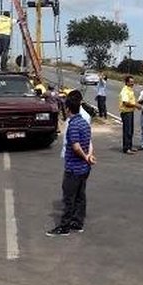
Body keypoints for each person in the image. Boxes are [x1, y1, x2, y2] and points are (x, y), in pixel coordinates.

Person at [46, 91, 95, 237]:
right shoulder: (85, 123)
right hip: (84, 168)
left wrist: (85, 157)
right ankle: (78, 223)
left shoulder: (73, 125)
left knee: (68, 198)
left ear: (67, 109)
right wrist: (89, 156)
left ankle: (64, 226)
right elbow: (89, 143)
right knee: (80, 196)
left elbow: (75, 146)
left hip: (74, 168)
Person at [119, 75, 141, 154]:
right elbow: (125, 103)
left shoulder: (130, 90)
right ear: (127, 82)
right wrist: (136, 105)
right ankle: (126, 148)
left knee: (130, 130)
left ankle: (130, 146)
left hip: (130, 112)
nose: (132, 83)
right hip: (126, 112)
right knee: (127, 131)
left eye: (133, 82)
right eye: (131, 82)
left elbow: (131, 101)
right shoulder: (125, 91)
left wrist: (137, 103)